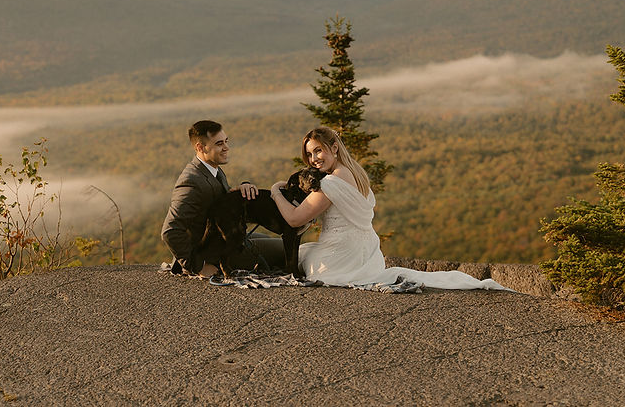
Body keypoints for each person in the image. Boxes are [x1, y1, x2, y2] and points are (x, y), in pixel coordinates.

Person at [269, 126, 509, 290]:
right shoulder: (355, 173)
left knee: (287, 255)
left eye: (318, 150)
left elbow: (294, 219)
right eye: (309, 154)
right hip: (369, 255)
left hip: (341, 260)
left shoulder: (330, 183)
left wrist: (275, 191)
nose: (313, 159)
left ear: (334, 147)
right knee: (298, 251)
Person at [161, 120, 284, 277]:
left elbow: (218, 202)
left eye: (226, 141)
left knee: (266, 237)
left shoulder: (212, 170)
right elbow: (170, 231)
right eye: (219, 143)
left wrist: (240, 189)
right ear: (200, 147)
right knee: (287, 249)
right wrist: (198, 266)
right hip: (212, 253)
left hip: (224, 237)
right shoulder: (191, 182)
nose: (226, 147)